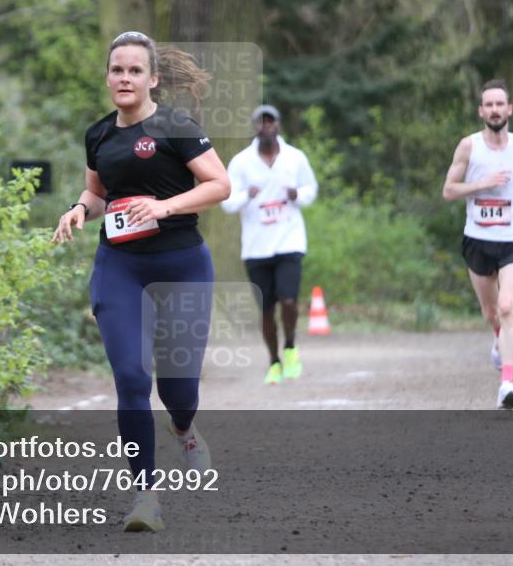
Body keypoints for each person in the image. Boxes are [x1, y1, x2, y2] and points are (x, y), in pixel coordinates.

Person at [51, 31, 230, 532]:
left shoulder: (176, 126)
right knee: (131, 379)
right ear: (107, 77)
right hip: (120, 266)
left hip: (182, 265)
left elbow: (220, 184)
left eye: (134, 71)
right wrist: (78, 210)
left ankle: (186, 430)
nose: (124, 78)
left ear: (152, 79)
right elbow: (98, 193)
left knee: (179, 392)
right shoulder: (99, 135)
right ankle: (145, 497)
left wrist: (165, 206)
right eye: (116, 70)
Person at [442, 79, 513, 409]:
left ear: (510, 109)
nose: (494, 109)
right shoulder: (469, 147)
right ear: (481, 111)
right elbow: (448, 191)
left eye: (499, 104)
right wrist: (481, 183)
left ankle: (507, 385)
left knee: (506, 306)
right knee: (491, 312)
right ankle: (498, 338)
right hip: (478, 239)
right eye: (488, 105)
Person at [221, 105, 318, 385]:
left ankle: (290, 347)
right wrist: (246, 197)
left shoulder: (295, 158)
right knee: (266, 309)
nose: (266, 127)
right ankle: (274, 361)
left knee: (288, 300)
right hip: (256, 246)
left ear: (279, 125)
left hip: (290, 240)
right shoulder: (241, 162)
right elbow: (227, 201)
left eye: (271, 122)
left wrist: (296, 194)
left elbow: (311, 189)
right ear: (254, 128)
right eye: (261, 123)